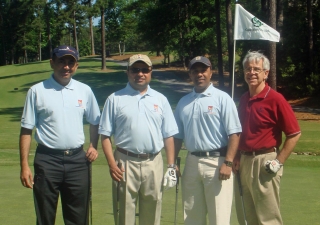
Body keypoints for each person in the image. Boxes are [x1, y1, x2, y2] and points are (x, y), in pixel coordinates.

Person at [19, 45, 101, 225]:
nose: (66, 66)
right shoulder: (37, 91)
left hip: (78, 161)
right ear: (52, 63)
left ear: (76, 66)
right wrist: (24, 165)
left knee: (78, 218)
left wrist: (93, 146)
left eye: (70, 62)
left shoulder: (84, 90)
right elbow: (26, 129)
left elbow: (95, 121)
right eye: (61, 61)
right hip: (47, 160)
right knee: (45, 217)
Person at [98, 54, 178, 225]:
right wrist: (112, 164)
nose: (140, 73)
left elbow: (168, 135)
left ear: (151, 72)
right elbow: (105, 136)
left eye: (144, 70)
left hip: (153, 162)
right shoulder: (115, 99)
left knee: (152, 214)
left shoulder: (161, 100)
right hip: (124, 163)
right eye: (135, 69)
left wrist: (171, 166)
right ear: (128, 72)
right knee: (125, 217)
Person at [234, 51, 301, 225]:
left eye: (257, 69)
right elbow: (240, 133)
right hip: (244, 161)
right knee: (249, 217)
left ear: (266, 73)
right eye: (248, 69)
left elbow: (294, 133)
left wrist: (278, 161)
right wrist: (235, 157)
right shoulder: (243, 99)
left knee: (268, 219)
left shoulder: (275, 99)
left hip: (266, 161)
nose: (252, 73)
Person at [174, 56, 242, 225]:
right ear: (190, 74)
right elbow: (177, 136)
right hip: (191, 162)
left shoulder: (222, 98)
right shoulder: (184, 102)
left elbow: (234, 133)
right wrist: (173, 162)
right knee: (192, 217)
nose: (200, 74)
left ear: (211, 72)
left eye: (203, 70)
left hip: (217, 162)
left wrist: (228, 162)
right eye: (195, 71)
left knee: (219, 218)